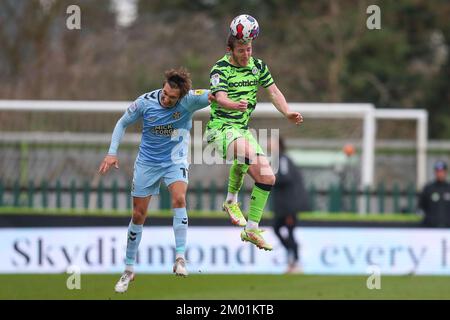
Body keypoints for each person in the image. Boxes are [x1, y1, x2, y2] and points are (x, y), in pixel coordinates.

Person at [98, 68, 212, 293]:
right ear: (163, 86)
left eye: (172, 97)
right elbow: (122, 123)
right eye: (165, 93)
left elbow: (215, 94)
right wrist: (112, 153)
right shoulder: (145, 102)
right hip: (147, 164)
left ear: (181, 96)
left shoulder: (190, 101)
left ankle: (180, 257)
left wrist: (236, 100)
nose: (167, 99)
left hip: (174, 160)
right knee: (138, 215)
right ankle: (129, 269)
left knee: (179, 199)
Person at [206, 33, 303, 251]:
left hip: (241, 131)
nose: (247, 54)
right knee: (246, 152)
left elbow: (274, 92)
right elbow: (220, 97)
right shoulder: (219, 69)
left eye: (249, 49)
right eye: (241, 50)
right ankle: (231, 201)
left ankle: (251, 228)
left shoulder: (257, 66)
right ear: (230, 50)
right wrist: (233, 104)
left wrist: (287, 112)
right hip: (220, 129)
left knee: (268, 177)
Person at [272, 137, 309, 273]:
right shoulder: (278, 159)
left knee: (289, 231)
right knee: (278, 229)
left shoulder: (282, 159)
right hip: (283, 205)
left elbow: (285, 177)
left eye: (273, 142)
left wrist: (269, 179)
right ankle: (293, 257)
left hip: (289, 205)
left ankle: (296, 262)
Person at [418, 160, 450, 228]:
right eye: (438, 171)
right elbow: (421, 207)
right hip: (431, 229)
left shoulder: (448, 188)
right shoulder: (428, 188)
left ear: (446, 172)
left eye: (442, 171)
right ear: (435, 172)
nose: (440, 173)